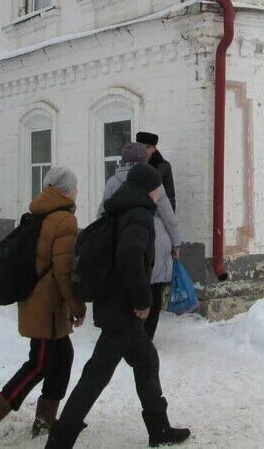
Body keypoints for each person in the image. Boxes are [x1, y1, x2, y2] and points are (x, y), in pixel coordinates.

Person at [46, 164, 190, 448]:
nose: (161, 191)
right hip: (122, 309)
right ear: (150, 189)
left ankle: (159, 429)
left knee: (147, 360)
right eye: (158, 186)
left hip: (114, 304)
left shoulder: (121, 208)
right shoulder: (138, 215)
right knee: (96, 375)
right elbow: (129, 255)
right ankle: (60, 440)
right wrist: (142, 300)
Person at [0, 167, 86, 448]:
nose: (77, 191)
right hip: (46, 308)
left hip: (38, 302)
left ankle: (45, 421)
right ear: (64, 190)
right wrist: (77, 306)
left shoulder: (39, 214)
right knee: (39, 364)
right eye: (75, 186)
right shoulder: (64, 220)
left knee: (63, 356)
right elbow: (64, 271)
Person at [102, 143, 181, 341]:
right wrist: (176, 244)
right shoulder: (152, 181)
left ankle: (130, 335)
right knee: (152, 290)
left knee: (128, 284)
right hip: (155, 240)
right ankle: (145, 338)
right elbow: (168, 216)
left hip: (124, 240)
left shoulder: (113, 182)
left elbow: (103, 214)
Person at [136, 131, 176, 211]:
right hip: (135, 216)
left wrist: (170, 217)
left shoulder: (164, 166)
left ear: (154, 148)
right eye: (141, 147)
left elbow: (170, 195)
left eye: (147, 147)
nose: (143, 150)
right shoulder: (132, 165)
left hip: (157, 215)